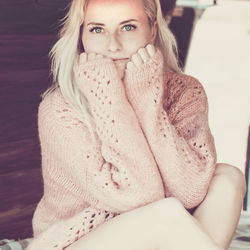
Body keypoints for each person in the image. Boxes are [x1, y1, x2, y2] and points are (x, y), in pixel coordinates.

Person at [26, 0, 246, 249]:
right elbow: (138, 197)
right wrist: (106, 94)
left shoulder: (185, 92)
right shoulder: (60, 110)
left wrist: (146, 100)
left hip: (157, 235)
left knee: (228, 178)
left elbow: (190, 191)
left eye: (128, 27)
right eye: (97, 29)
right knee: (165, 215)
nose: (113, 44)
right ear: (81, 36)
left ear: (152, 30)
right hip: (76, 241)